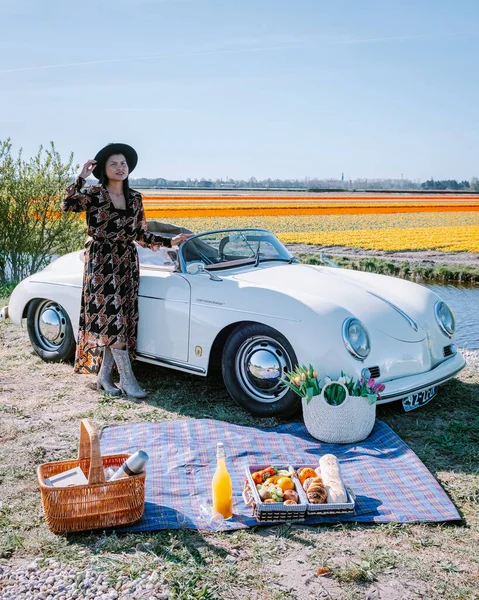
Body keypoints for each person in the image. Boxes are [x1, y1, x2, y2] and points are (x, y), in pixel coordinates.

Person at [62, 143, 193, 398]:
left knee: (122, 320)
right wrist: (80, 177)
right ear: (104, 169)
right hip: (101, 262)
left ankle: (103, 378)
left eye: (123, 163)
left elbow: (140, 234)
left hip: (126, 262)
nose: (120, 168)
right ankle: (127, 380)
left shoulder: (135, 198)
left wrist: (169, 242)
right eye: (114, 164)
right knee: (113, 320)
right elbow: (67, 205)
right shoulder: (93, 194)